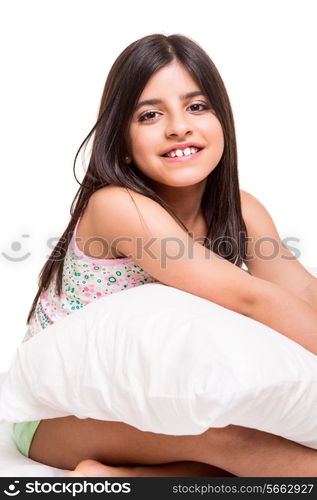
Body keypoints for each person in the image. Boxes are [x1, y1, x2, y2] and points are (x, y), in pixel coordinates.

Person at [13, 33, 317, 478]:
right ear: (121, 136)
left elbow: (300, 289)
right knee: (228, 438)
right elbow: (253, 299)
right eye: (150, 115)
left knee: (249, 435)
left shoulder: (242, 208)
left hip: (161, 400)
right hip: (57, 413)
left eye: (197, 107)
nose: (179, 127)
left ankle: (124, 479)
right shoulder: (118, 206)